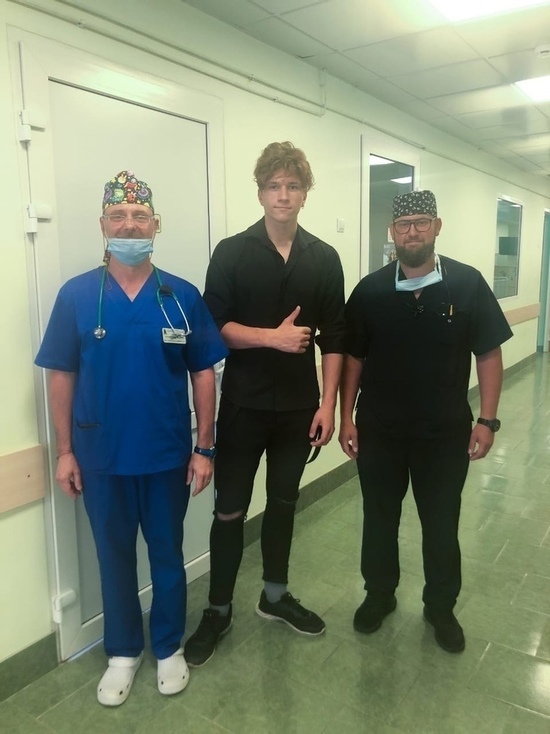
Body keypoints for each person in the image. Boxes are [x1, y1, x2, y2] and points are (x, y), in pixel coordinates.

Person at [35, 171, 228, 705]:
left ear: (156, 225)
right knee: (113, 555)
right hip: (100, 456)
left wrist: (204, 447)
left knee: (167, 553)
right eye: (118, 216)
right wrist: (65, 451)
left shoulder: (180, 295)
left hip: (166, 454)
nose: (129, 225)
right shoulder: (77, 296)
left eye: (139, 216)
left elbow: (204, 372)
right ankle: (122, 651)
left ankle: (167, 647)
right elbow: (60, 373)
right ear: (102, 224)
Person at [184, 142, 346, 667]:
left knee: (282, 503)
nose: (283, 195)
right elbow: (212, 327)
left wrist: (328, 405)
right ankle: (218, 609)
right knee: (230, 509)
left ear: (305, 194)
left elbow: (335, 339)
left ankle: (274, 596)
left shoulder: (324, 258)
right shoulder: (232, 252)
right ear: (260, 193)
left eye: (293, 186)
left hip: (299, 408)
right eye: (274, 186)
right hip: (243, 407)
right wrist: (271, 338)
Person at [339, 189, 513, 653]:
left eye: (421, 222)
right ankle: (379, 594)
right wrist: (346, 417)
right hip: (380, 431)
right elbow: (354, 357)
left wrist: (488, 420)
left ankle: (440, 607)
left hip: (443, 433)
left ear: (437, 227)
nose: (412, 231)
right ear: (392, 232)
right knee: (379, 518)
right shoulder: (371, 291)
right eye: (403, 225)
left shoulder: (467, 284)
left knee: (441, 523)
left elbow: (488, 352)